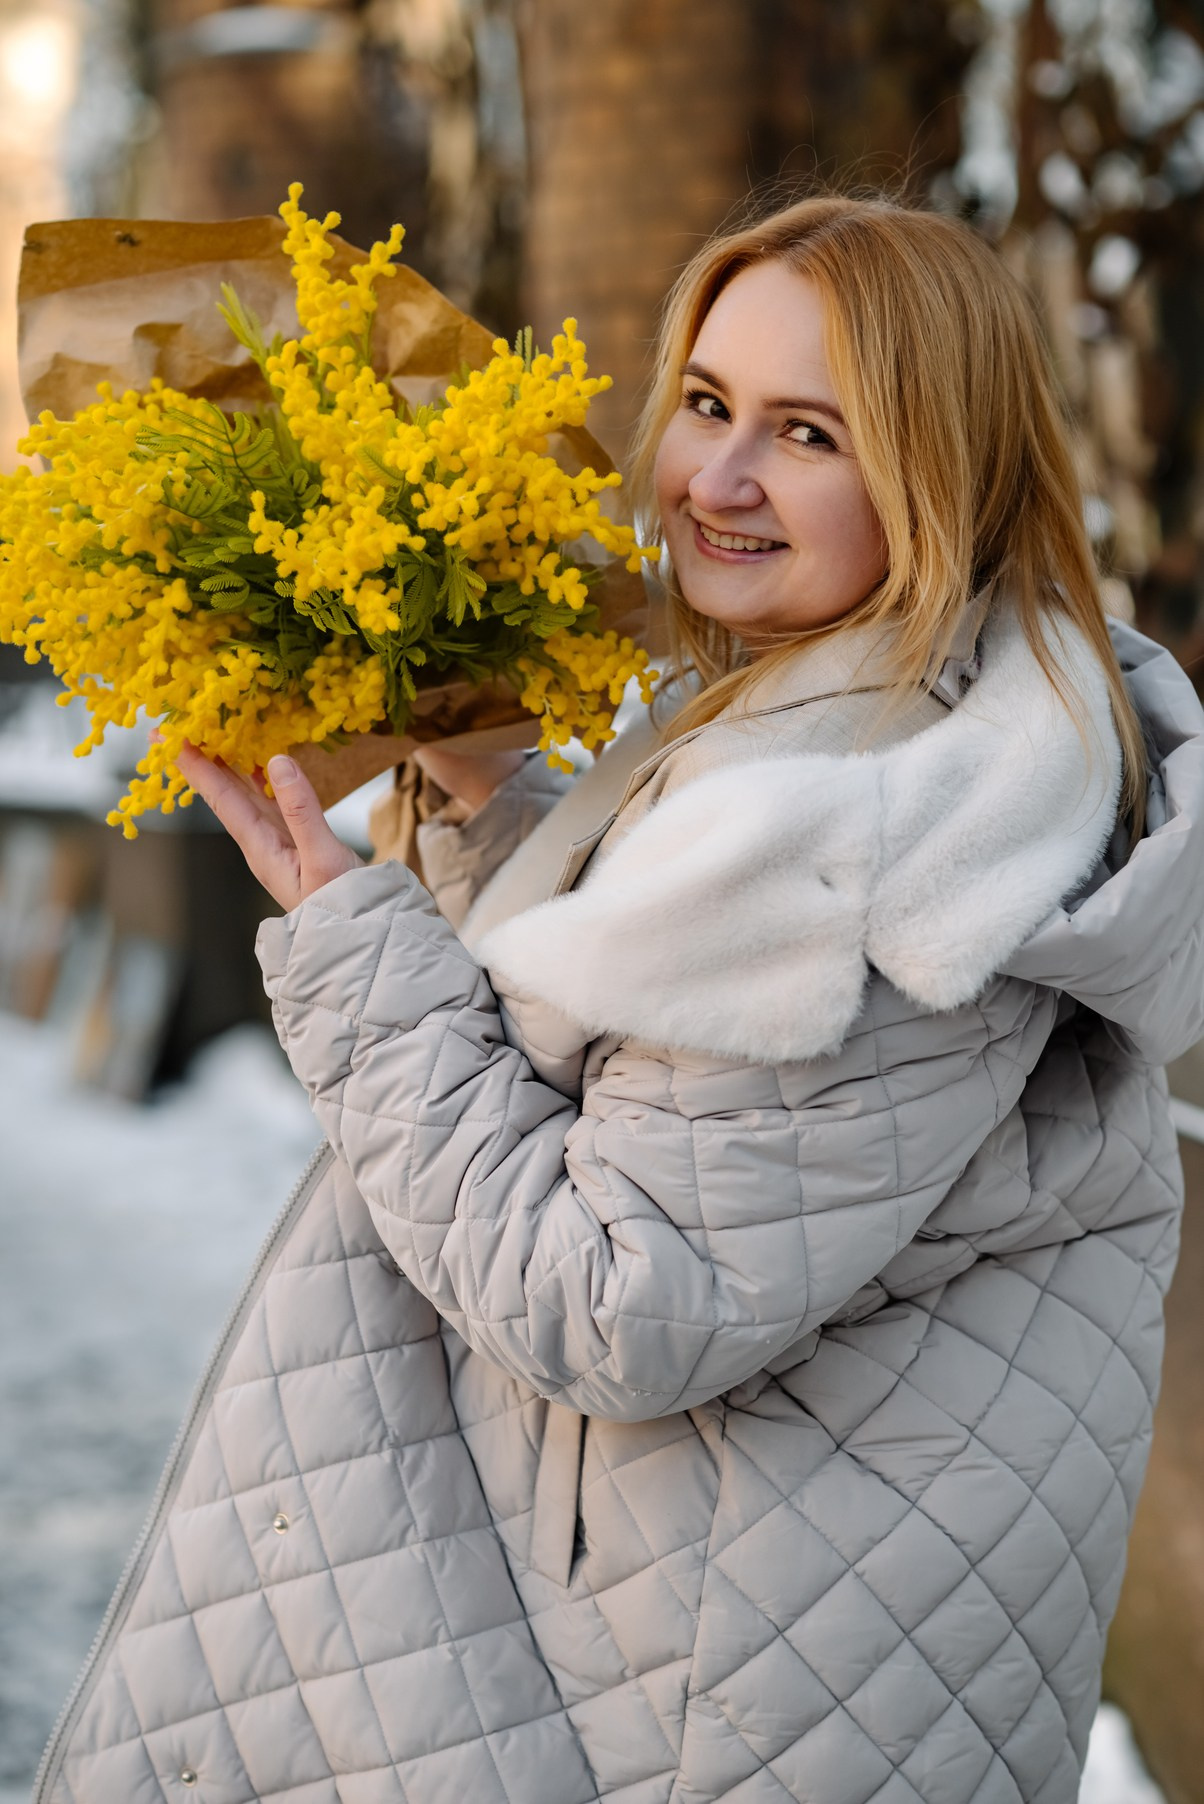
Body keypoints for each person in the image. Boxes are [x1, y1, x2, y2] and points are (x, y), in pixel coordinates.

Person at [37, 193, 1204, 1804]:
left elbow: (615, 1298)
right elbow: (635, 1073)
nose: (716, 480)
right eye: (710, 403)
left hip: (677, 1708)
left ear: (939, 471)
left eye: (807, 434)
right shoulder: (856, 727)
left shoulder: (889, 839)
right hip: (660, 1643)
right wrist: (481, 807)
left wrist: (346, 941)